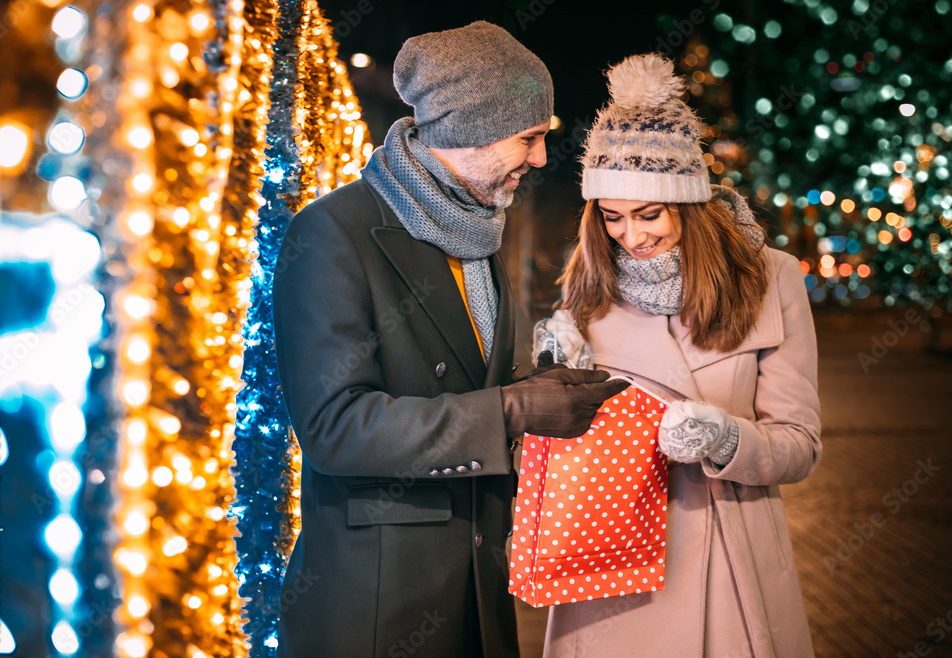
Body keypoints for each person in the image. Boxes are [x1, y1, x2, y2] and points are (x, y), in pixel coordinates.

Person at [271, 21, 628, 658]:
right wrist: (512, 410)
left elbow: (472, 381)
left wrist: (538, 387)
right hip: (380, 609)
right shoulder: (333, 233)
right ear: (470, 129)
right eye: (530, 136)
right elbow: (335, 428)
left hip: (480, 598)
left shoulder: (477, 231)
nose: (543, 158)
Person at [535, 54, 822, 657]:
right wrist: (555, 383)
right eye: (611, 217)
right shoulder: (585, 289)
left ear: (688, 204)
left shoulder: (772, 278)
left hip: (730, 555)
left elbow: (800, 444)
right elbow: (560, 453)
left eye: (649, 214)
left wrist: (726, 441)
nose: (630, 238)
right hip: (609, 560)